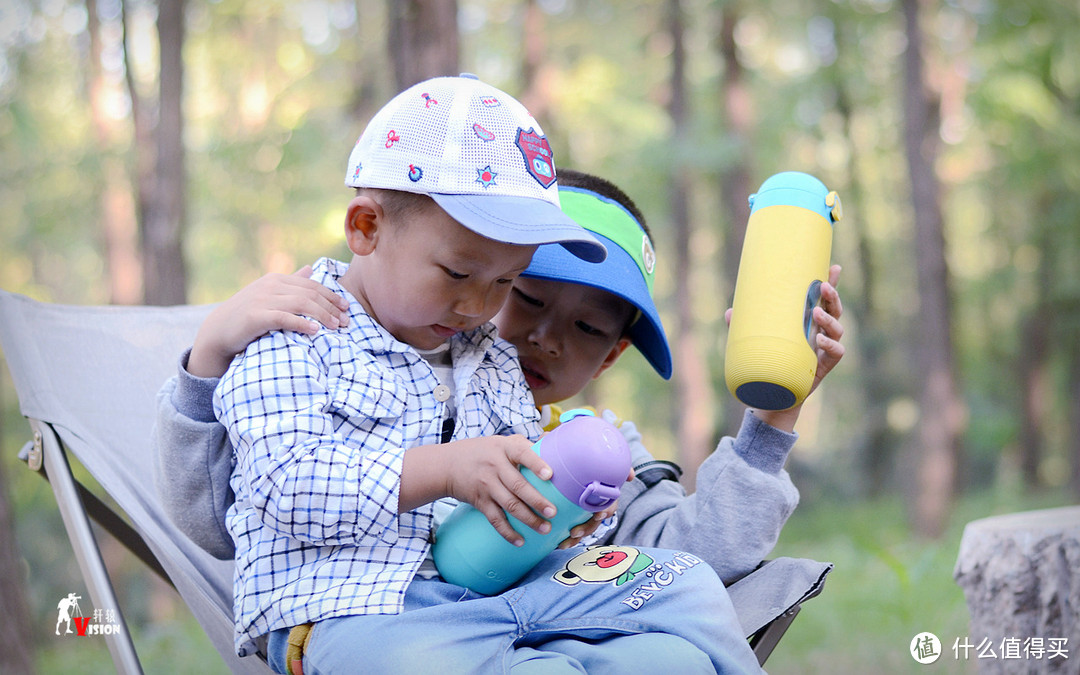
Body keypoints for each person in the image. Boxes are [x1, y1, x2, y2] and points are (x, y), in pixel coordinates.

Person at [190, 74, 768, 673]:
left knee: (685, 592)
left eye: (501, 282)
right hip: (363, 614)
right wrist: (442, 470)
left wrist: (558, 515)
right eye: (458, 274)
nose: (477, 308)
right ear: (366, 228)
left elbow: (516, 492)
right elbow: (284, 485)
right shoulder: (292, 333)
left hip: (510, 594)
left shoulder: (488, 355)